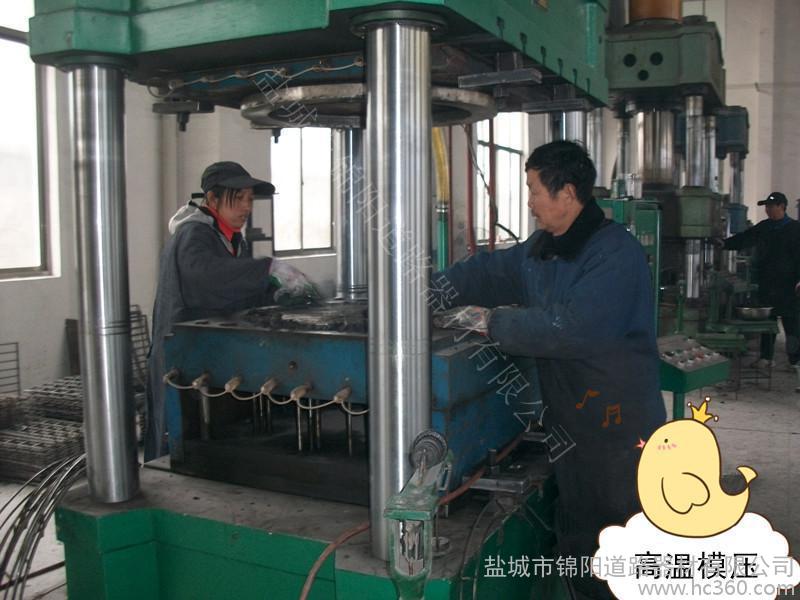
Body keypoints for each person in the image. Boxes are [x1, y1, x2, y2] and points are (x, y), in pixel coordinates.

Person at [430, 141, 666, 599]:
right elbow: (488, 273)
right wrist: (425, 290)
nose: (530, 202)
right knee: (579, 531)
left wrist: (490, 321)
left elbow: (572, 329)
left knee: (622, 536)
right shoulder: (543, 249)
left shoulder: (614, 253)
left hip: (618, 428)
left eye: (535, 190)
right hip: (571, 420)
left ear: (568, 194)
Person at [145, 161, 315, 460]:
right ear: (212, 199)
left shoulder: (232, 239)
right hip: (182, 354)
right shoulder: (193, 235)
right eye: (238, 198)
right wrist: (267, 268)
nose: (247, 207)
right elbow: (208, 278)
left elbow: (239, 291)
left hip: (210, 352)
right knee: (182, 441)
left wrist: (278, 293)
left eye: (250, 198)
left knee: (216, 439)